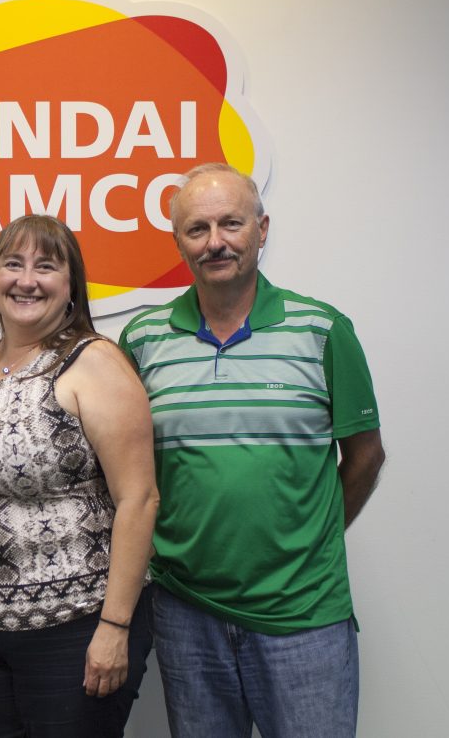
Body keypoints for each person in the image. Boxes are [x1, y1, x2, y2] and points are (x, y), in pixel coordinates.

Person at [119, 163, 386, 737]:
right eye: (197, 229)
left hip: (305, 615)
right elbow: (130, 475)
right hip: (185, 612)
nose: (215, 242)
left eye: (231, 224)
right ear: (178, 243)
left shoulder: (322, 330)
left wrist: (309, 540)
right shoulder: (142, 341)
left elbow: (366, 456)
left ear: (262, 230)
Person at [0, 214, 159, 737]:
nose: (26, 280)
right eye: (13, 264)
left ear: (70, 285)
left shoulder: (93, 362)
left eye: (45, 266)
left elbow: (139, 498)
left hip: (73, 627)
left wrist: (115, 626)